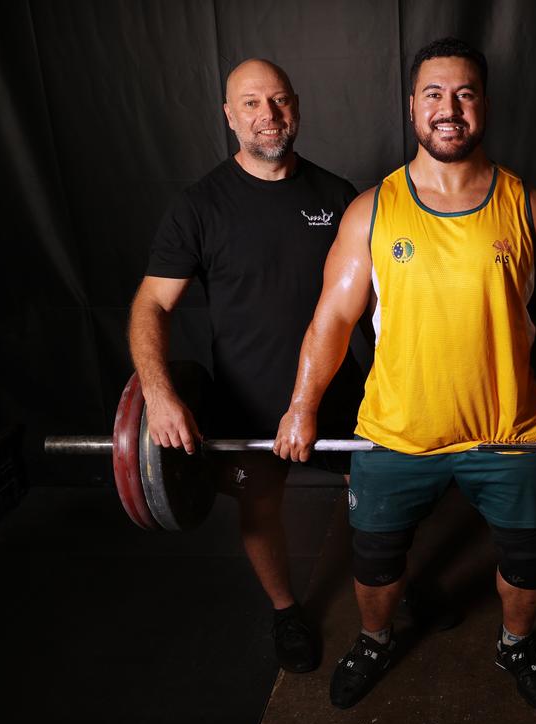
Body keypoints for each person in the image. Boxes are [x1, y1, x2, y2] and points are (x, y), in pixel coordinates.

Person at [273, 38, 536, 712]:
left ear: (485, 106)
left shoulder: (529, 208)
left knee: (528, 562)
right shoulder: (373, 210)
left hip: (510, 435)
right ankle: (376, 638)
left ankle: (516, 644)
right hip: (395, 433)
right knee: (375, 562)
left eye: (464, 94)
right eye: (434, 94)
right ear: (412, 108)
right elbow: (331, 321)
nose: (449, 108)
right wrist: (302, 406)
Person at [128, 58, 366, 674]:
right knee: (259, 508)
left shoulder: (337, 196)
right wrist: (158, 392)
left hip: (341, 390)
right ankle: (288, 610)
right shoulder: (199, 206)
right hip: (250, 398)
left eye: (280, 101)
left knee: (378, 498)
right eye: (252, 104)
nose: (269, 116)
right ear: (229, 116)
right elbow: (152, 302)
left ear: (298, 106)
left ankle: (390, 582)